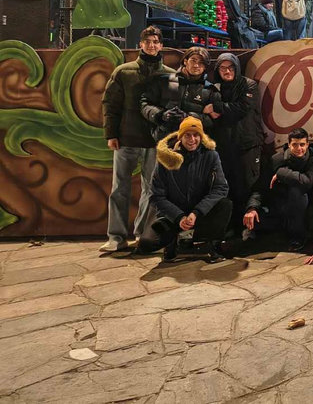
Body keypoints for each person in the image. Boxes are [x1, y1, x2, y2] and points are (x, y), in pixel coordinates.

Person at [100, 26, 174, 252]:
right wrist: (111, 134)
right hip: (127, 138)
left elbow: (173, 108)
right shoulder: (124, 72)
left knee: (152, 190)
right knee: (119, 188)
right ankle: (116, 237)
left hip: (155, 142)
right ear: (140, 44)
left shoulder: (170, 74)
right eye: (147, 41)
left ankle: (143, 235)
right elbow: (110, 104)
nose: (152, 45)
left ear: (161, 45)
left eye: (155, 41)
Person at [142, 117, 231, 263]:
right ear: (180, 137)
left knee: (225, 204)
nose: (192, 139)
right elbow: (156, 195)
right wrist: (178, 217)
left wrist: (196, 212)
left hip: (199, 211)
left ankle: (210, 244)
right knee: (148, 243)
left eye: (196, 135)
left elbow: (220, 188)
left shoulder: (210, 156)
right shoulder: (166, 158)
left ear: (201, 137)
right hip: (173, 213)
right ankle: (172, 242)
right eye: (187, 135)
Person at [243, 128, 313, 250]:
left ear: (307, 144)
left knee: (296, 191)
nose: (299, 148)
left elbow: (307, 182)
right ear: (289, 144)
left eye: (302, 144)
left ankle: (297, 237)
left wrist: (281, 173)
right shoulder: (276, 159)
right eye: (295, 145)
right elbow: (261, 187)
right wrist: (252, 208)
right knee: (252, 218)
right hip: (279, 204)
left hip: (304, 206)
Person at [209, 53, 263, 232]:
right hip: (224, 146)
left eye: (231, 67)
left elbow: (242, 107)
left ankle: (249, 229)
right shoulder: (214, 89)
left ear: (237, 68)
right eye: (223, 68)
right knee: (227, 187)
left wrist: (217, 108)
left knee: (249, 186)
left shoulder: (249, 85)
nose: (227, 71)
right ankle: (231, 227)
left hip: (248, 144)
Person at [140, 46, 218, 142]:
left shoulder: (210, 90)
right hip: (163, 140)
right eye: (193, 60)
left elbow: (213, 120)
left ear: (205, 66)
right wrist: (161, 115)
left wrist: (189, 117)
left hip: (193, 143)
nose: (196, 65)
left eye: (201, 62)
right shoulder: (164, 81)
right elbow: (145, 104)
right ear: (185, 61)